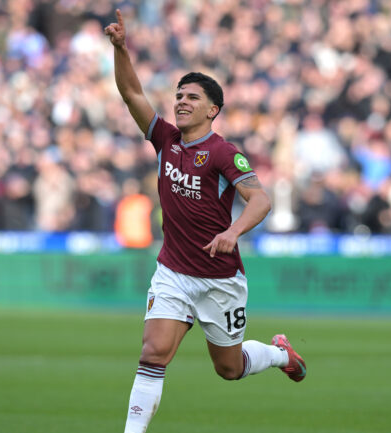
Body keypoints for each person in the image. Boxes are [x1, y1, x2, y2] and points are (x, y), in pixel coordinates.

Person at [104, 10, 306, 433]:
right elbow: (130, 93)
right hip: (173, 271)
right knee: (152, 353)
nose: (181, 101)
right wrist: (121, 50)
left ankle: (280, 354)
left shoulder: (221, 152)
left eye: (192, 97)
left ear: (213, 109)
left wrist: (233, 231)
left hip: (219, 278)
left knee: (229, 369)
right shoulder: (165, 139)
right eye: (179, 95)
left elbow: (260, 199)